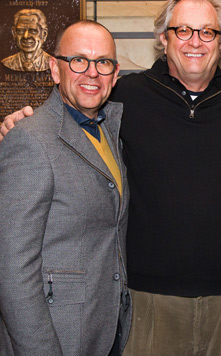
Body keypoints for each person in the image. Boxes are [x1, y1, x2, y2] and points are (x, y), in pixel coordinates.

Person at [0, 0, 221, 356]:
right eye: (183, 30)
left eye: (207, 31)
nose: (195, 41)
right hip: (145, 305)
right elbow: (69, 112)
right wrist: (19, 122)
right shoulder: (122, 99)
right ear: (163, 39)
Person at [0, 20, 130, 356]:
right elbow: (12, 269)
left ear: (115, 75)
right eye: (78, 60)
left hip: (105, 329)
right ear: (54, 69)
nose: (92, 72)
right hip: (56, 335)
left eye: (103, 62)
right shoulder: (29, 140)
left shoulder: (110, 130)